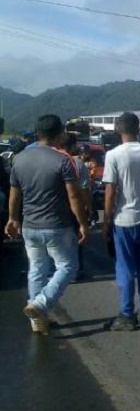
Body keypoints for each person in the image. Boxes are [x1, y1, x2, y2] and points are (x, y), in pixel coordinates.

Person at [6, 114, 89, 335]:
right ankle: (41, 304)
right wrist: (82, 223)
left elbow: (15, 193)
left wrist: (12, 218)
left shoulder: (20, 159)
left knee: (37, 269)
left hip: (29, 226)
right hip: (56, 226)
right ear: (59, 134)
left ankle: (37, 320)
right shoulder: (62, 160)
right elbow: (74, 197)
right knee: (68, 267)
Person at [102, 112, 140, 331]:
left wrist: (106, 221)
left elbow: (110, 191)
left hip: (124, 220)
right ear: (139, 129)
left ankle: (127, 314)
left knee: (125, 267)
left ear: (118, 130)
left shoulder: (113, 155)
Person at [62, 133, 93, 280]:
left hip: (56, 209)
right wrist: (90, 209)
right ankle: (76, 270)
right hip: (75, 208)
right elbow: (84, 190)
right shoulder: (78, 164)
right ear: (73, 146)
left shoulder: (53, 160)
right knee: (77, 239)